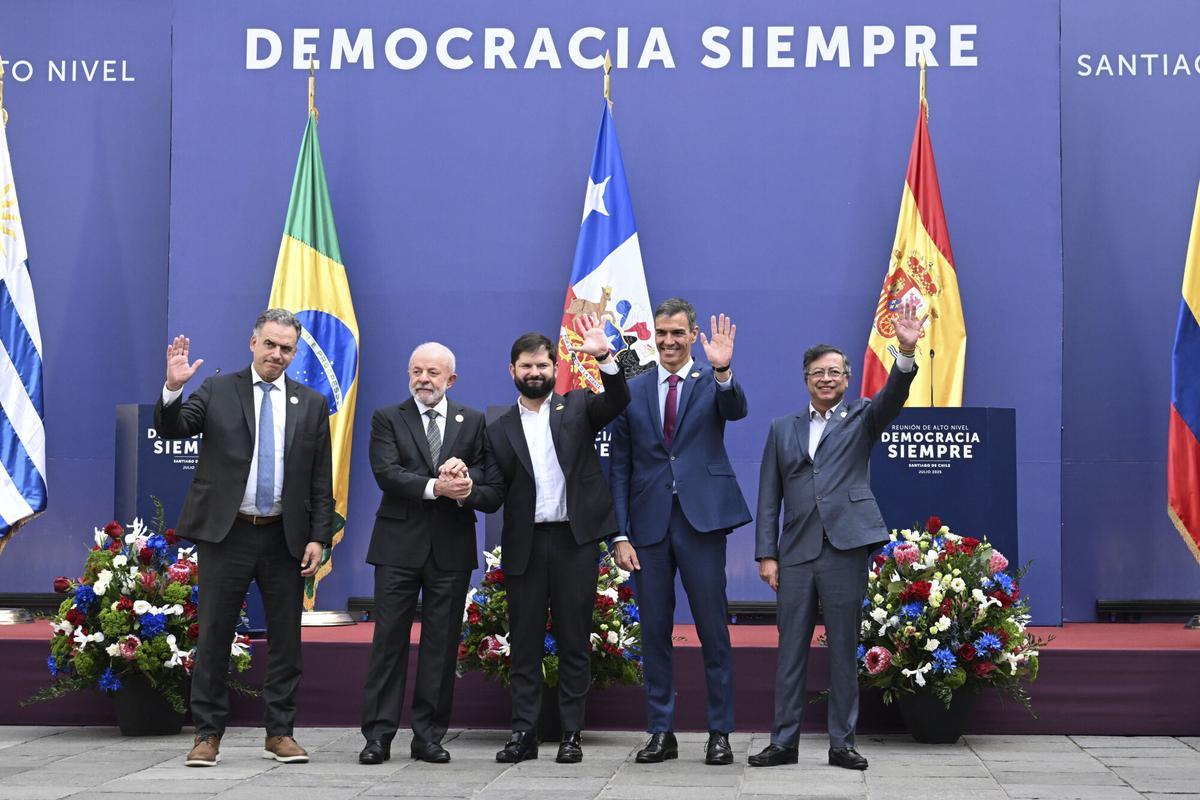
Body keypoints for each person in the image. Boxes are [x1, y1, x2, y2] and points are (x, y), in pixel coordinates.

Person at [750, 297, 924, 771]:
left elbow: (894, 396)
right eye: (817, 374)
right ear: (805, 381)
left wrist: (905, 354)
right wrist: (767, 555)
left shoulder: (863, 417)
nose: (826, 379)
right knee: (789, 652)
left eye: (834, 373)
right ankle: (782, 743)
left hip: (845, 549)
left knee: (845, 650)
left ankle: (842, 743)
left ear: (846, 380)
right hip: (796, 553)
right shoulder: (781, 428)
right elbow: (769, 496)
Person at [154, 308, 332, 768]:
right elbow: (174, 427)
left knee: (286, 640)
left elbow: (320, 480)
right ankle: (207, 735)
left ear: (295, 353)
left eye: (286, 348)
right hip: (227, 534)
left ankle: (280, 733)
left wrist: (319, 537)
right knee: (214, 635)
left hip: (284, 538)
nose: (277, 354)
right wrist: (174, 388)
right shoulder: (216, 389)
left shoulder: (311, 403)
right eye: (270, 344)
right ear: (252, 343)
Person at [479, 315, 629, 764]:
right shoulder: (498, 426)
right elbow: (492, 491)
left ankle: (570, 735)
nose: (535, 373)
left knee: (573, 641)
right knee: (523, 643)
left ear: (554, 367)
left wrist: (604, 356)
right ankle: (524, 733)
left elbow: (619, 398)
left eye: (542, 365)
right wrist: (466, 488)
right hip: (524, 545)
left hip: (574, 543)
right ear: (512, 371)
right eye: (526, 366)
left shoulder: (579, 406)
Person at [608, 298, 751, 766]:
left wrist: (725, 370)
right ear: (655, 336)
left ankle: (720, 733)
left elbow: (736, 410)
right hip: (647, 528)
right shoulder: (635, 386)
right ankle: (660, 732)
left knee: (713, 630)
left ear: (692, 335)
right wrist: (620, 534)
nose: (669, 341)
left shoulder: (713, 380)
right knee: (653, 633)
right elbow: (622, 468)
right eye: (662, 333)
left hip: (701, 524)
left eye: (678, 333)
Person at [358, 342, 493, 765]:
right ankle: (378, 737)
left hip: (450, 550)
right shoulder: (387, 418)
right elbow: (387, 474)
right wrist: (438, 487)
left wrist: (466, 484)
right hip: (397, 547)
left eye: (433, 373)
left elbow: (488, 478)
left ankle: (428, 737)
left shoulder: (472, 421)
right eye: (416, 371)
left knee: (441, 645)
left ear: (450, 379)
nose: (424, 380)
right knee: (388, 644)